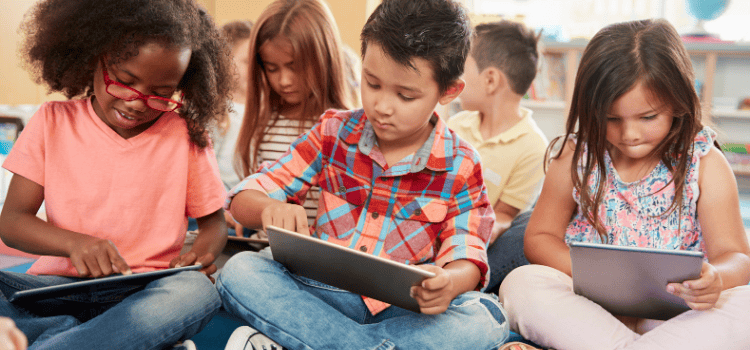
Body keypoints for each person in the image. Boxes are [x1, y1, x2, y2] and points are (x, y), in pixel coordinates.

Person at [216, 0, 510, 349]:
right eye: (372, 84)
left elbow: (468, 250)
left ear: (448, 92)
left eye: (405, 95)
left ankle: (311, 340)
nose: (382, 106)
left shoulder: (461, 163)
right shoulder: (333, 131)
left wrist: (449, 280)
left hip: (402, 310)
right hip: (319, 294)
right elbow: (246, 195)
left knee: (487, 316)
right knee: (240, 270)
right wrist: (267, 208)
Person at [498, 19, 750, 350]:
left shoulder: (705, 163)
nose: (629, 134)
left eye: (647, 118)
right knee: (520, 284)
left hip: (677, 313)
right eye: (611, 119)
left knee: (744, 305)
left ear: (677, 102)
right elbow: (540, 238)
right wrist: (599, 282)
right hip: (590, 308)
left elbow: (736, 257)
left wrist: (715, 279)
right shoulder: (574, 156)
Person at [0, 0, 233, 348]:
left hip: (144, 291)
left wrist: (199, 255)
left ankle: (57, 340)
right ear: (93, 57)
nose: (138, 102)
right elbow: (12, 222)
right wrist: (75, 243)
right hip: (55, 288)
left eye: (161, 93)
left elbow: (214, 224)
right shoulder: (51, 121)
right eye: (125, 81)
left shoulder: (186, 134)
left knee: (197, 292)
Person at [230, 0, 355, 238]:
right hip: (265, 248)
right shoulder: (263, 123)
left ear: (323, 58)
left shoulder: (345, 129)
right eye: (272, 68)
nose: (284, 80)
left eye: (294, 66)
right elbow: (251, 194)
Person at [447, 20, 547, 293]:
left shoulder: (533, 147)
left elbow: (504, 215)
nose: (453, 76)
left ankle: (461, 287)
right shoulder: (456, 125)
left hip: (480, 246)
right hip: (439, 230)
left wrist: (486, 229)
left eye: (461, 68)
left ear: (490, 79)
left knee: (525, 231)